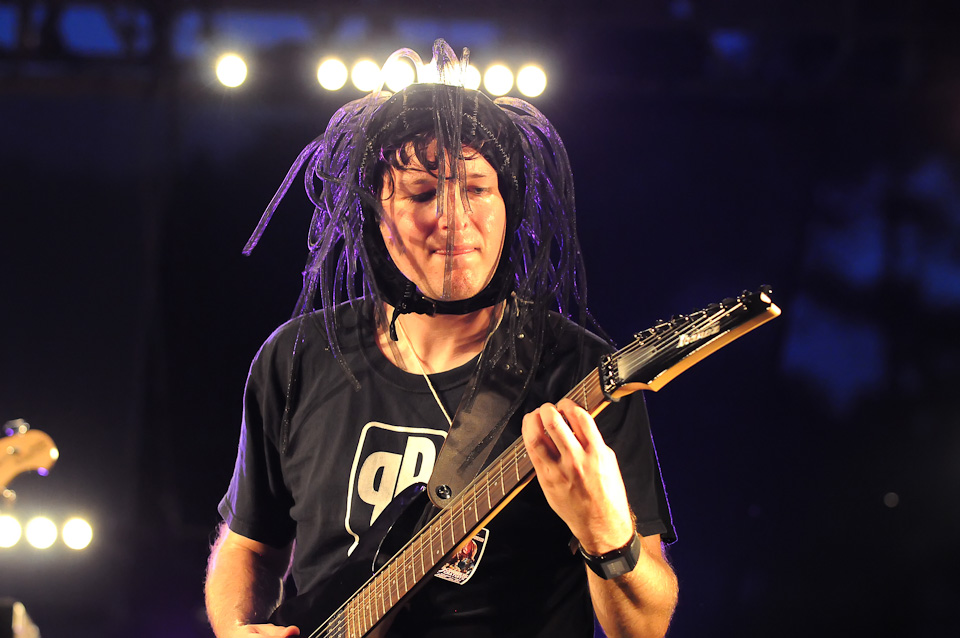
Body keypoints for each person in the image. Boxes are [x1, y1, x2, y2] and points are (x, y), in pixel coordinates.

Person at [204, 40, 678, 638]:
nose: (453, 218)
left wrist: (606, 534)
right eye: (422, 193)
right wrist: (238, 628)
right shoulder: (297, 357)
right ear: (376, 215)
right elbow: (248, 546)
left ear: (507, 206)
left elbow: (644, 626)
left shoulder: (581, 375)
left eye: (476, 188)